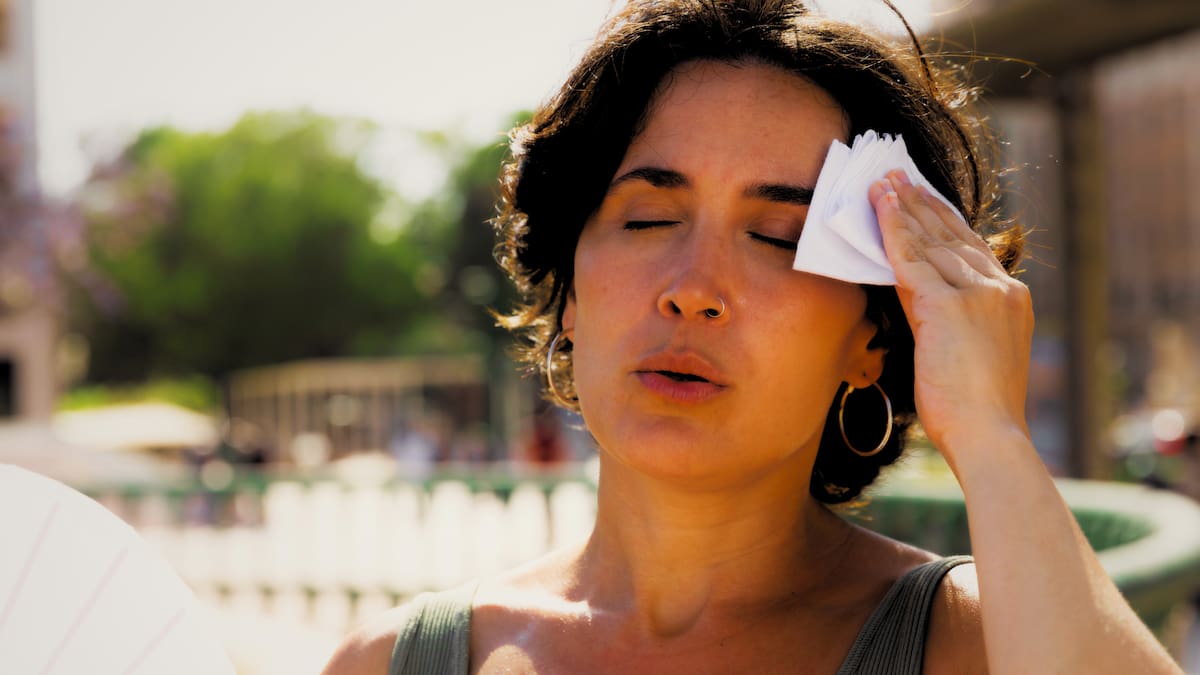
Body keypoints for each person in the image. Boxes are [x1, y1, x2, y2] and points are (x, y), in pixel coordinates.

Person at [323, 1, 1182, 672]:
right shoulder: (390, 661)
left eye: (778, 237)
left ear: (874, 340)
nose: (694, 290)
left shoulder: (976, 648)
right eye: (650, 217)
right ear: (571, 293)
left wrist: (992, 437)